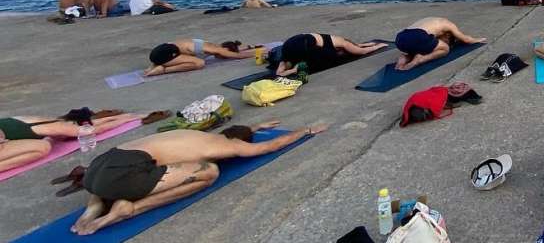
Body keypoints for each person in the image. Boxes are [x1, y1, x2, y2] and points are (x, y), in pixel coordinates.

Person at [70, 120, 326, 235]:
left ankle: (91, 209)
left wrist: (256, 126)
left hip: (97, 169)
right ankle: (130, 208)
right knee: (208, 172)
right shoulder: (226, 146)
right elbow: (269, 147)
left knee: (127, 172)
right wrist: (306, 129)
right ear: (236, 141)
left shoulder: (191, 134)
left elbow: (240, 131)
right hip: (122, 177)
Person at [0, 111, 145, 172]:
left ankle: (126, 117)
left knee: (54, 134)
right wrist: (128, 118)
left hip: (7, 131)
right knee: (44, 146)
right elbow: (88, 130)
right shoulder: (51, 129)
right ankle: (127, 117)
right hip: (9, 135)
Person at [393, 17, 486, 71]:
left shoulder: (432, 20)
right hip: (418, 35)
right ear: (447, 35)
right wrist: (476, 39)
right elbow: (466, 39)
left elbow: (414, 38)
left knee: (420, 45)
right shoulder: (449, 25)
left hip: (400, 38)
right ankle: (420, 59)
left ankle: (405, 57)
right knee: (445, 49)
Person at [275, 33, 386, 76]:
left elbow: (356, 46)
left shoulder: (336, 40)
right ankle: (293, 70)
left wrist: (361, 45)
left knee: (284, 65)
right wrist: (376, 46)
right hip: (306, 45)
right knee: (319, 61)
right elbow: (361, 51)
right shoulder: (343, 43)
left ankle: (288, 69)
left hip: (290, 42)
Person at [144, 39, 261, 76]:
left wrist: (248, 47)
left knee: (191, 59)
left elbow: (234, 50)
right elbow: (236, 55)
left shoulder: (210, 45)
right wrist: (258, 53)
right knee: (199, 63)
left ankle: (156, 65)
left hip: (159, 51)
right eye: (225, 55)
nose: (224, 57)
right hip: (166, 53)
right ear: (225, 49)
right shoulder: (216, 49)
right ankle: (163, 69)